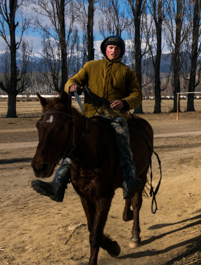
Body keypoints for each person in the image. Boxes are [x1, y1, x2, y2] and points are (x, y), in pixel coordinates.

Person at [31, 35, 144, 202]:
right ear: (105, 50)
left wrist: (124, 103)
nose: (113, 50)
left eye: (117, 48)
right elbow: (72, 81)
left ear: (121, 52)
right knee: (73, 145)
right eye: (110, 48)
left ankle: (128, 180)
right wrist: (72, 86)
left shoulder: (127, 72)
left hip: (115, 118)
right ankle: (58, 184)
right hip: (90, 116)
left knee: (123, 144)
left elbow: (137, 95)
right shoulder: (90, 66)